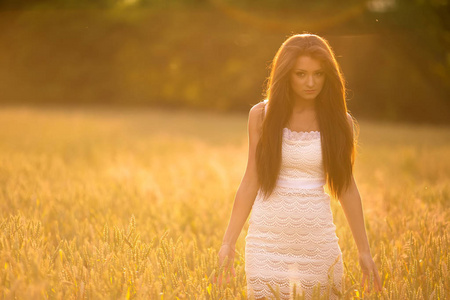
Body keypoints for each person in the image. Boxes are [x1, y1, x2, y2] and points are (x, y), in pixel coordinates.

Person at [217, 33, 382, 299]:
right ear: (286, 75)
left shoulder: (341, 122)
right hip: (266, 244)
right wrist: (228, 243)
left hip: (318, 245)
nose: (310, 82)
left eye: (318, 74)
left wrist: (364, 251)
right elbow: (251, 179)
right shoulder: (261, 116)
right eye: (301, 74)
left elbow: (346, 187)